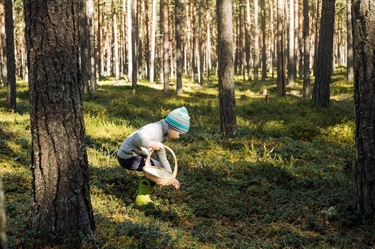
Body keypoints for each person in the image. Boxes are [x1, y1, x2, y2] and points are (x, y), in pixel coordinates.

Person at [117, 106, 190, 206]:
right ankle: (142, 198)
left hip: (134, 156)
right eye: (179, 133)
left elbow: (162, 157)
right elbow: (136, 137)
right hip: (128, 157)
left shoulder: (162, 135)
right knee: (156, 168)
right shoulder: (155, 129)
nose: (178, 137)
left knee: (158, 165)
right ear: (173, 127)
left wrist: (171, 177)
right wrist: (151, 144)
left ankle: (140, 193)